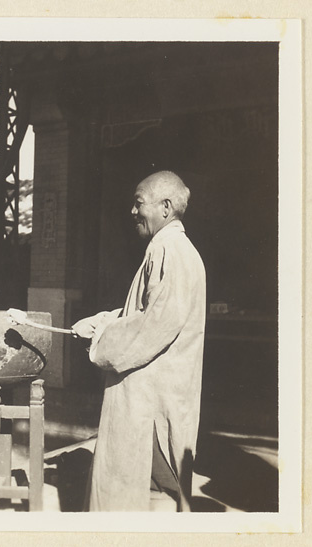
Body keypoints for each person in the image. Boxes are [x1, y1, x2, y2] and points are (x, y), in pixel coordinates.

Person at [73, 171, 206, 511]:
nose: (132, 212)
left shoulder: (169, 250)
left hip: (149, 396)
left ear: (165, 207)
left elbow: (154, 326)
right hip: (154, 392)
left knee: (135, 494)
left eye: (138, 203)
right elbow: (149, 312)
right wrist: (103, 320)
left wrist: (103, 337)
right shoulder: (171, 248)